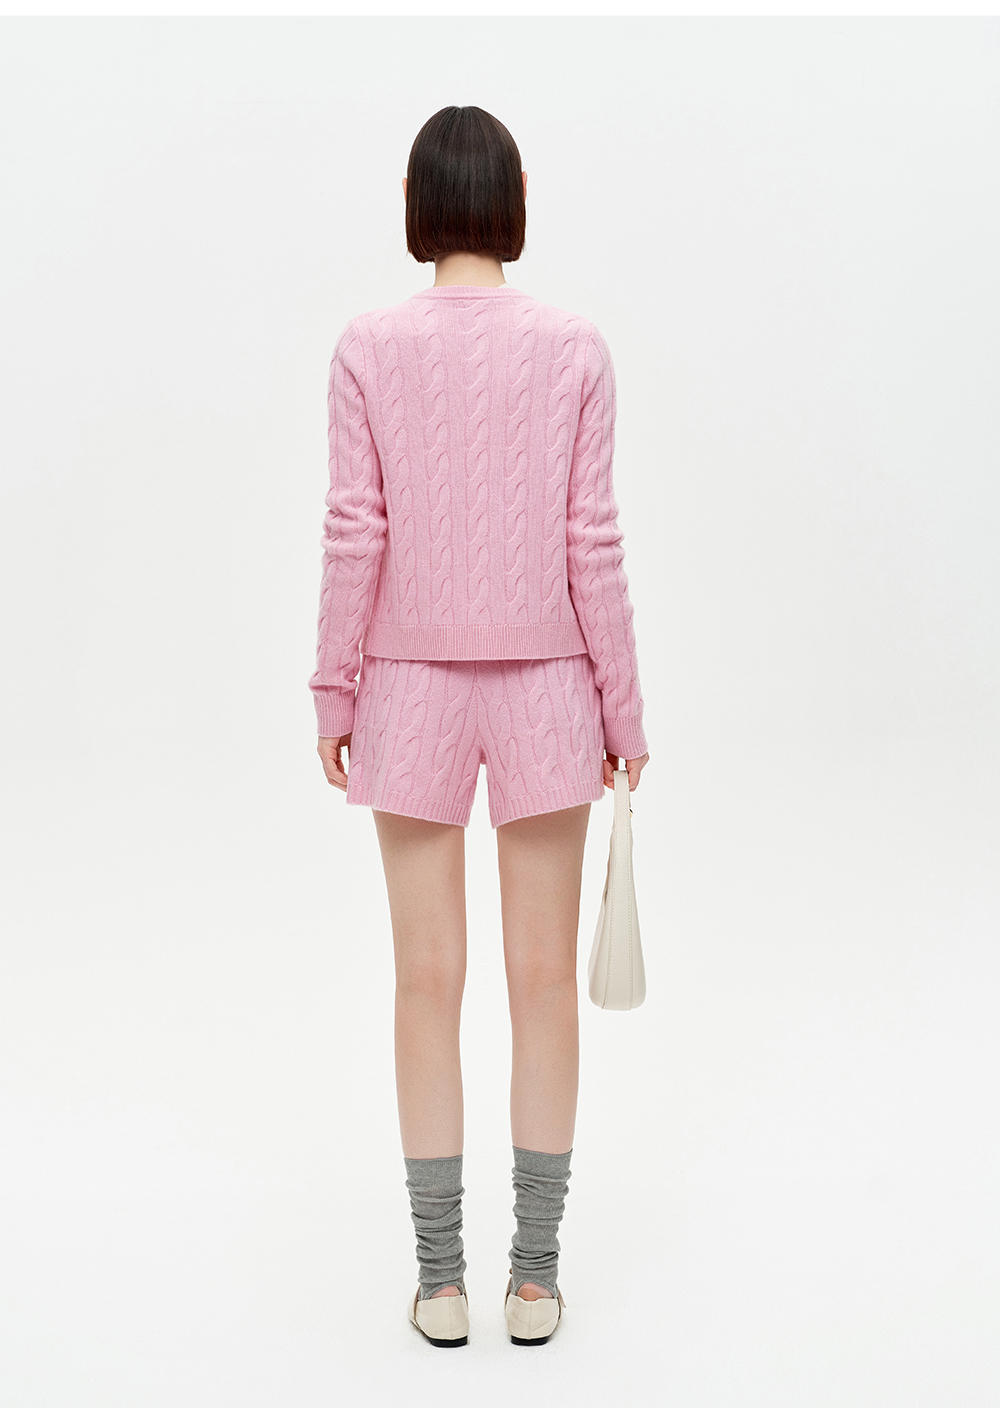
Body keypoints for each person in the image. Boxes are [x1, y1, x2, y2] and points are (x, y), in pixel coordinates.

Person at [308, 105, 649, 1348]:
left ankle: (441, 1280)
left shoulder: (366, 347)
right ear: (516, 196)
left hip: (407, 686)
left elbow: (356, 530)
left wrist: (333, 686)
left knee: (425, 979)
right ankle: (536, 1278)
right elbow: (590, 541)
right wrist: (623, 702)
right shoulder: (573, 348)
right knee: (543, 980)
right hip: (549, 681)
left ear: (415, 200)